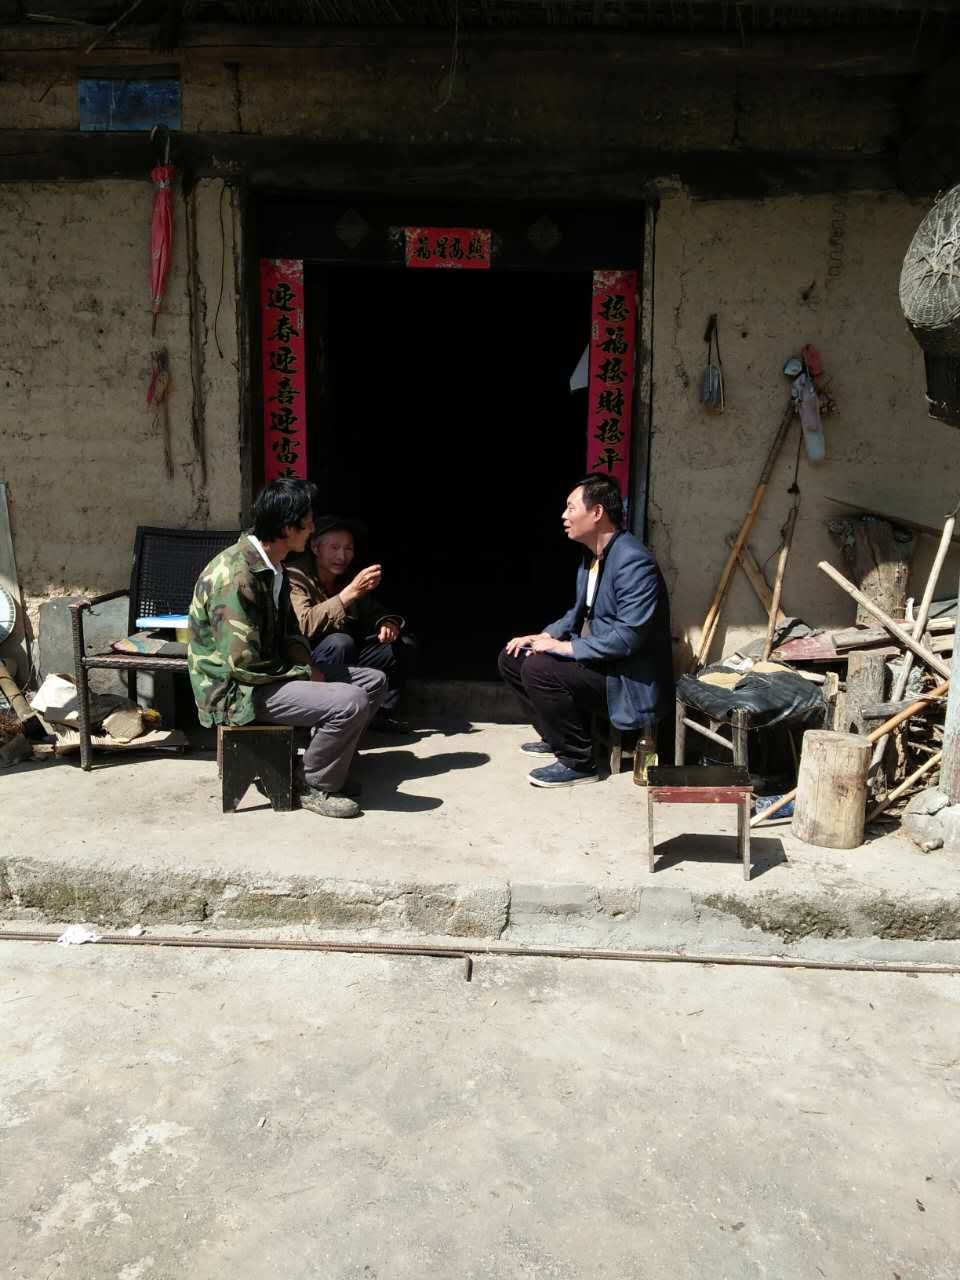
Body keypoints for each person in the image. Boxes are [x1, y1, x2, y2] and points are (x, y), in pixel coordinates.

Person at [187, 479, 386, 819]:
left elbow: (292, 633)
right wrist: (304, 673)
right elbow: (242, 663)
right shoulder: (237, 576)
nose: (312, 529)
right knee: (350, 701)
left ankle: (318, 765)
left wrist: (306, 666)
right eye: (307, 523)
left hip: (267, 675)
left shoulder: (273, 566)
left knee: (373, 682)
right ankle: (312, 783)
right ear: (286, 528)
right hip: (237, 691)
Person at [498, 473, 673, 788]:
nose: (564, 516)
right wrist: (545, 636)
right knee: (513, 656)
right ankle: (556, 737)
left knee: (539, 668)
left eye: (570, 507)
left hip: (626, 676)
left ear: (597, 512)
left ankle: (578, 761)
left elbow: (628, 637)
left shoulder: (634, 561)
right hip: (601, 663)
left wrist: (565, 648)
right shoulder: (593, 557)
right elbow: (578, 613)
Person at [286, 515, 416, 733]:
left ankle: (379, 713)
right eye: (334, 547)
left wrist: (386, 624)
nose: (342, 556)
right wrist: (348, 594)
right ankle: (322, 718)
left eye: (348, 548)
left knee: (403, 646)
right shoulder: (295, 576)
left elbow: (373, 611)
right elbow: (304, 624)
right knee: (340, 642)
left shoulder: (347, 577)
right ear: (316, 548)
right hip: (309, 661)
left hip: (348, 656)